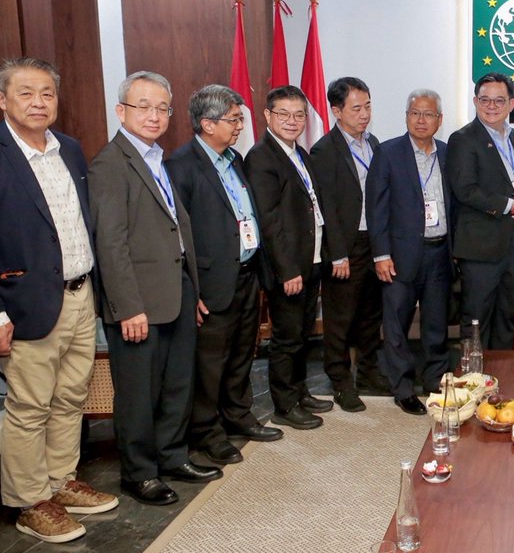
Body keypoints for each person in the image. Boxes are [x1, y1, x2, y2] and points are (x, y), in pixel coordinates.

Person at [0, 57, 117, 541]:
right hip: (21, 303)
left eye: (47, 94)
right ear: (1, 99)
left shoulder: (69, 149)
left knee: (71, 395)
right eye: (26, 93)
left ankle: (60, 481)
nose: (39, 102)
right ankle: (30, 501)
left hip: (78, 294)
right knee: (30, 405)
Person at [91, 71, 219, 506]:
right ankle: (140, 472)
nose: (154, 115)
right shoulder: (111, 163)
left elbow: (175, 230)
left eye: (162, 107)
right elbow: (110, 242)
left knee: (176, 384)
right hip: (138, 302)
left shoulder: (155, 158)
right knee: (139, 393)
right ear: (121, 110)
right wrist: (127, 307)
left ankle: (171, 456)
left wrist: (193, 291)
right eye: (143, 106)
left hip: (177, 293)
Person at [166, 84, 283, 463]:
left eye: (239, 119)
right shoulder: (181, 167)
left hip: (246, 274)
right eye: (233, 119)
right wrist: (190, 290)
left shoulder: (234, 159)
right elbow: (177, 237)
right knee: (209, 363)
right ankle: (206, 431)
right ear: (206, 123)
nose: (239, 126)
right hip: (210, 281)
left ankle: (238, 415)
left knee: (240, 354)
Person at [244, 85, 327, 431]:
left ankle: (300, 390)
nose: (292, 121)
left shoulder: (299, 153)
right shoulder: (262, 157)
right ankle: (284, 404)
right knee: (287, 336)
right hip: (289, 267)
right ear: (267, 116)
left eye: (298, 114)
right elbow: (270, 220)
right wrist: (287, 270)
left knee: (303, 333)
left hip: (312, 259)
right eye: (284, 114)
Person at [367, 89, 454, 415]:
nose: (421, 119)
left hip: (439, 253)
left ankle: (436, 383)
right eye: (415, 113)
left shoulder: (447, 153)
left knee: (436, 325)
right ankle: (403, 389)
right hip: (399, 256)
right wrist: (381, 254)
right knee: (397, 326)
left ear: (439, 120)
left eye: (428, 114)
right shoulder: (388, 153)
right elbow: (375, 209)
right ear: (406, 117)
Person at [309, 77, 389, 411]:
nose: (364, 114)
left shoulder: (375, 144)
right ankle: (340, 381)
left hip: (376, 241)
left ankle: (369, 371)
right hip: (346, 244)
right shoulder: (325, 150)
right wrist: (337, 253)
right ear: (336, 111)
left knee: (371, 315)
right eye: (356, 108)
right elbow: (325, 207)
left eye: (368, 105)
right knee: (341, 318)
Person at [446, 72, 514, 349]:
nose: (491, 106)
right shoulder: (463, 139)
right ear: (475, 101)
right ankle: (474, 384)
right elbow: (466, 190)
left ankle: (502, 381)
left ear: (512, 104)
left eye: (499, 100)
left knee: (508, 316)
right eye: (485, 99)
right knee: (476, 320)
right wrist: (512, 206)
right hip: (480, 247)